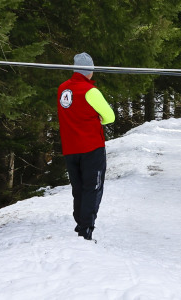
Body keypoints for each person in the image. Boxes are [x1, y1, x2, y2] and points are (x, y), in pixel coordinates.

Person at [57, 52, 115, 239]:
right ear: (89, 71)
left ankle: (81, 223)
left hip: (70, 148)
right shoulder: (91, 91)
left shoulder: (62, 90)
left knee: (78, 188)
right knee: (93, 187)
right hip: (91, 147)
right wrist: (99, 119)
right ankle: (86, 229)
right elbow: (110, 117)